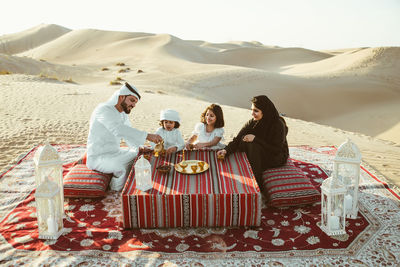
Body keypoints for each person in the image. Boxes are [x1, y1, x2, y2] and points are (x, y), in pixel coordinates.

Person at [86, 82, 162, 191]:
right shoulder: (103, 109)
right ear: (121, 97)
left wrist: (139, 147)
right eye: (131, 100)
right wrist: (147, 136)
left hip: (115, 152)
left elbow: (128, 135)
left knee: (138, 155)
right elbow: (118, 129)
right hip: (98, 157)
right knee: (121, 168)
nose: (134, 105)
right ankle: (116, 190)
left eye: (135, 102)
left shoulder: (122, 114)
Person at [217, 95, 289, 186]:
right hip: (261, 152)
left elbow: (276, 149)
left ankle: (258, 183)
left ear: (265, 111)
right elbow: (237, 139)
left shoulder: (278, 124)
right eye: (252, 110)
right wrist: (225, 150)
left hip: (276, 156)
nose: (252, 113)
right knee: (244, 140)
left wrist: (256, 139)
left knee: (252, 145)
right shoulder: (253, 122)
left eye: (256, 111)